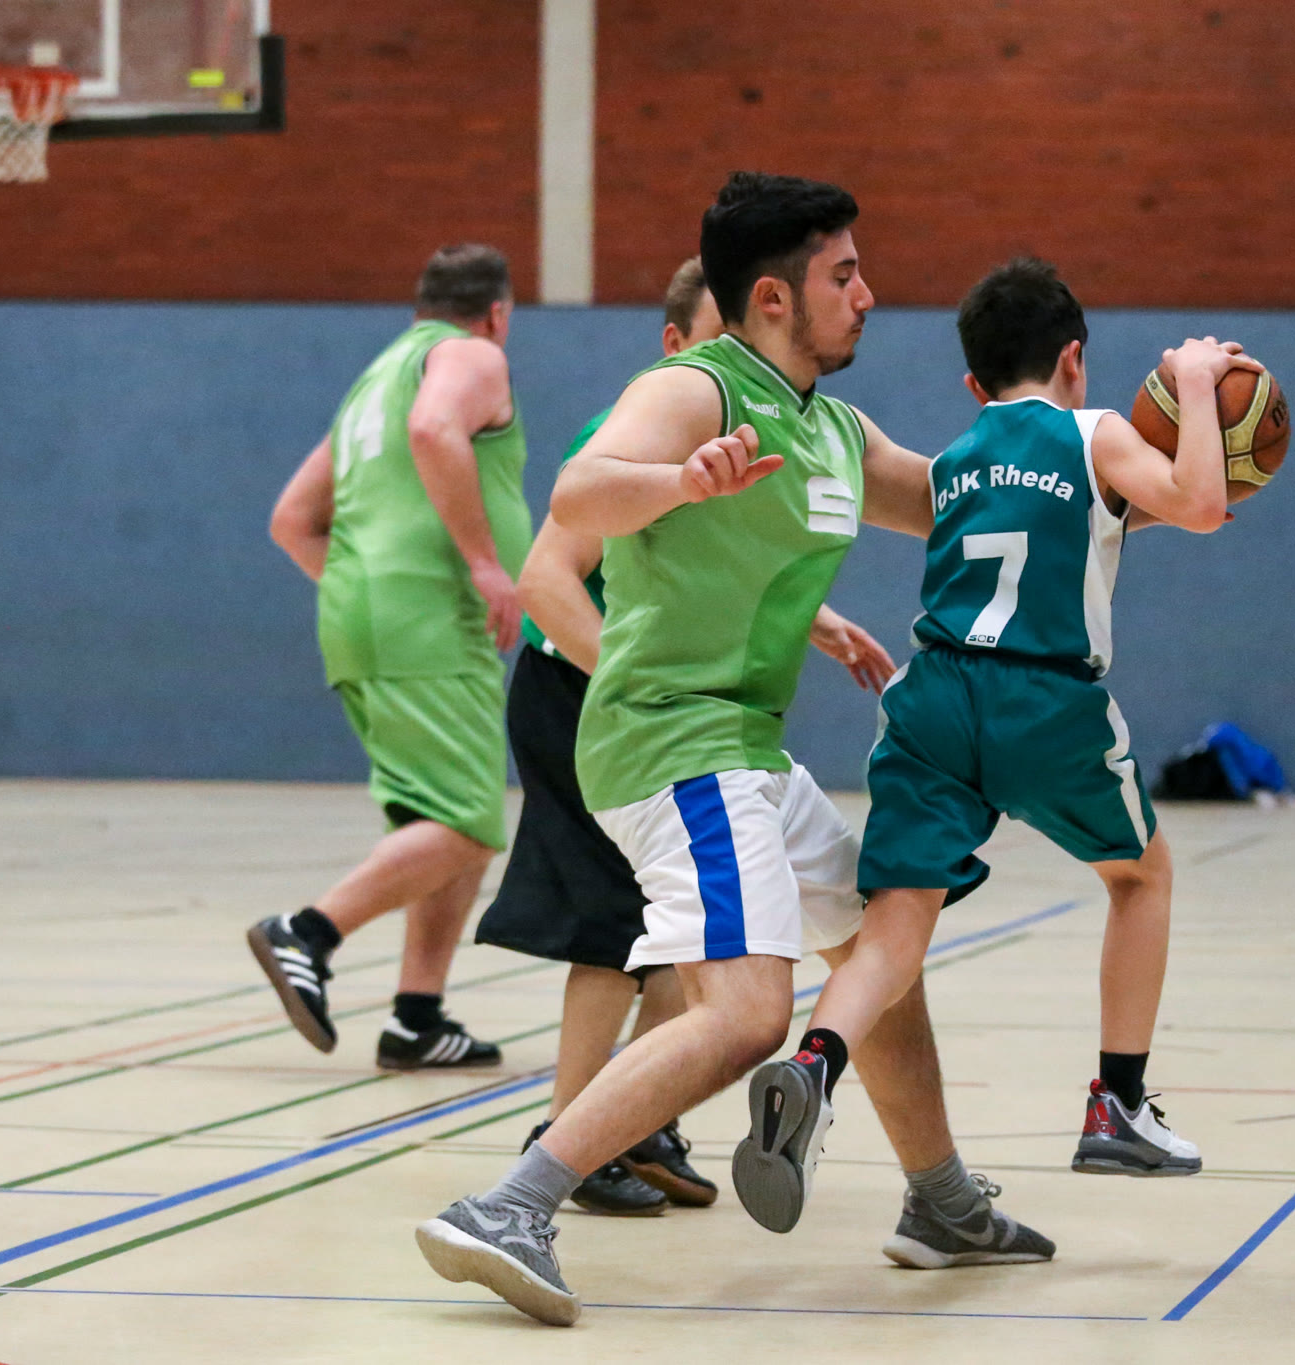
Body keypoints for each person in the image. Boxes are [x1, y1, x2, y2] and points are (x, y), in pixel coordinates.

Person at [415, 173, 1053, 1328]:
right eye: (843, 275)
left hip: (743, 748)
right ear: (771, 297)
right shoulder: (696, 390)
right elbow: (579, 490)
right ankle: (507, 1207)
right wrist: (677, 479)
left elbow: (961, 498)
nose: (866, 294)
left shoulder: (833, 428)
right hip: (670, 739)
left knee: (877, 950)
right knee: (750, 1014)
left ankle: (943, 1203)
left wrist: (1125, 474)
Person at [736, 258, 1239, 1233]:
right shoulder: (1094, 431)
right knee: (1140, 876)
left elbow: (1088, 516)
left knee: (894, 926)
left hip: (931, 697)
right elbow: (1203, 506)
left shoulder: (957, 460)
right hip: (1040, 697)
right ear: (1074, 359)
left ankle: (814, 1064)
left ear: (973, 383)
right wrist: (1191, 383)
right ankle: (1118, 1103)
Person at [473, 256, 896, 1216]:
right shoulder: (640, 427)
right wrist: (639, 681)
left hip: (688, 711)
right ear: (678, 346)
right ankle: (567, 1138)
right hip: (583, 686)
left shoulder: (786, 423)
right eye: (719, 339)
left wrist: (810, 616)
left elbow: (722, 563)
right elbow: (544, 580)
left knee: (695, 930)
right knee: (613, 926)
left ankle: (640, 1119)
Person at [255, 244, 529, 1069]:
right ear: (497, 314)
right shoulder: (471, 356)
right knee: (470, 822)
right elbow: (433, 428)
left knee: (435, 818)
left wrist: (367, 598)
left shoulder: (375, 379)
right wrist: (484, 564)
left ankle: (418, 1017)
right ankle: (307, 931)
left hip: (363, 617)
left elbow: (291, 519)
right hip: (431, 618)